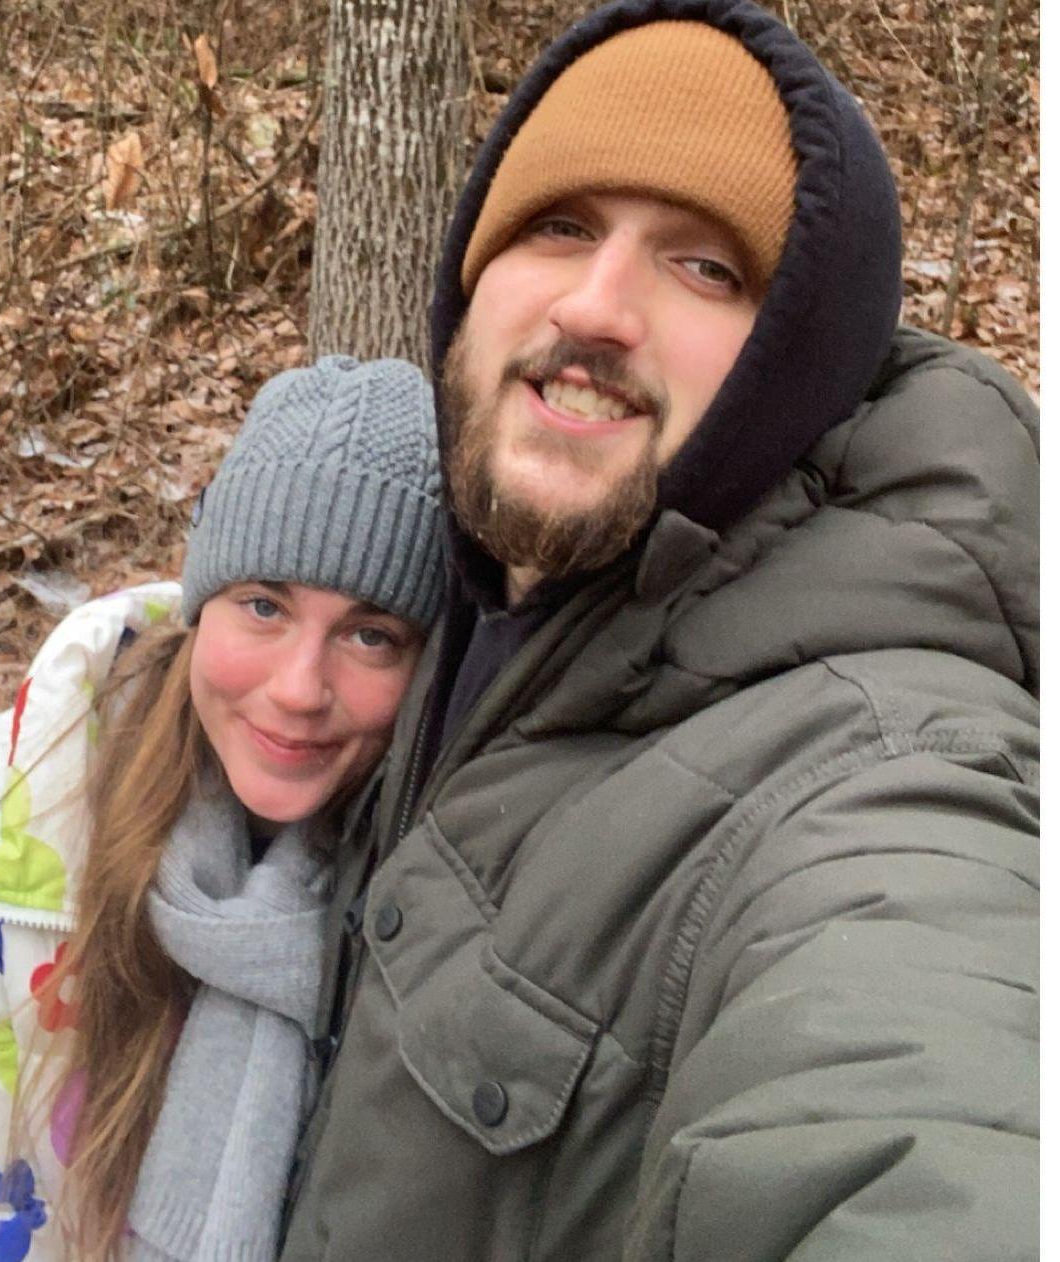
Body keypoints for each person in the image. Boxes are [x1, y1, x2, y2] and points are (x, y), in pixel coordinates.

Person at [278, 3, 1039, 1260]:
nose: (596, 305)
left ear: (793, 371)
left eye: (704, 267)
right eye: (558, 225)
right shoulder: (476, 595)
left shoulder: (874, 780)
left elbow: (922, 1116)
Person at [0, 355, 445, 1261]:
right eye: (263, 606)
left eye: (371, 635)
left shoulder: (439, 869)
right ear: (198, 609)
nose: (300, 689)